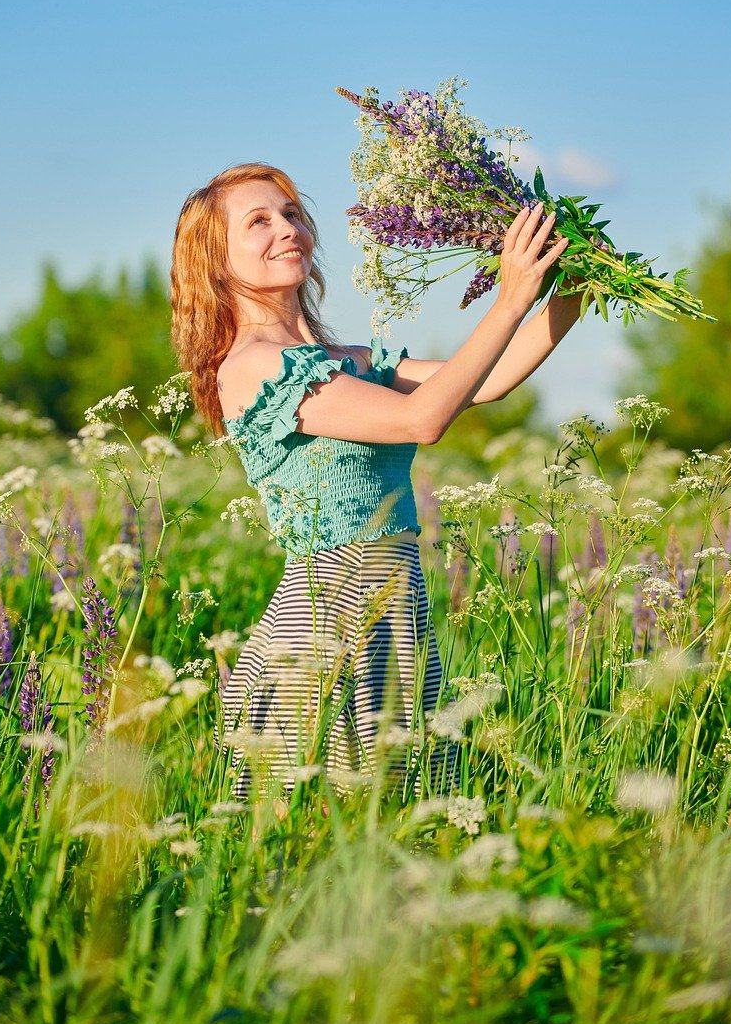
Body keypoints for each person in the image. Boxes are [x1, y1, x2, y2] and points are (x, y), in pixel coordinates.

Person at [171, 162, 581, 800]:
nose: (287, 229)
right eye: (257, 221)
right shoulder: (254, 366)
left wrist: (571, 291)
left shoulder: (346, 362)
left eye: (291, 213)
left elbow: (487, 381)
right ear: (216, 259)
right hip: (326, 625)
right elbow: (424, 419)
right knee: (326, 837)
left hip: (394, 609)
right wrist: (509, 299)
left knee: (403, 825)